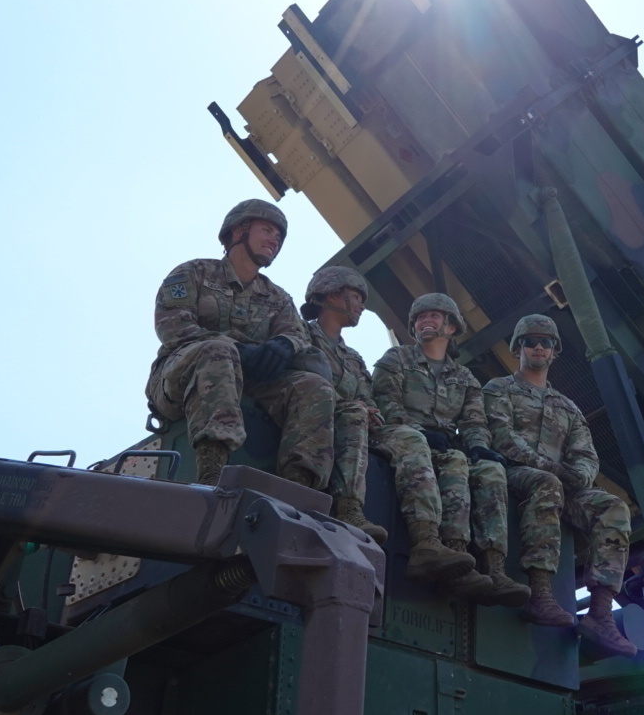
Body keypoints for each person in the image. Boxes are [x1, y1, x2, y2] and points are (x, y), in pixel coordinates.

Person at [146, 200, 335, 488]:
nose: (275, 240)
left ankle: (297, 486)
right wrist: (235, 348)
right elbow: (172, 326)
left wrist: (284, 344)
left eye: (279, 236)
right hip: (180, 378)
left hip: (250, 382)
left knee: (314, 386)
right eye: (267, 230)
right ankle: (212, 473)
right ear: (238, 231)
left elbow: (297, 336)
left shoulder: (277, 296)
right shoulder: (195, 273)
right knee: (219, 351)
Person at [482, 314, 637, 657]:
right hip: (512, 476)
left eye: (546, 342)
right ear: (517, 348)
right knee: (547, 482)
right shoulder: (498, 390)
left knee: (613, 507)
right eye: (530, 341)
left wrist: (580, 475)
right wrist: (550, 467)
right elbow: (501, 437)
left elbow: (585, 455)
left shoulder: (567, 407)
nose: (538, 347)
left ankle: (600, 612)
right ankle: (540, 593)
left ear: (554, 352)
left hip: (559, 485)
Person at [371, 293, 529, 607]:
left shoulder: (464, 378)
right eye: (419, 317)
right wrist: (419, 431)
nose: (424, 322)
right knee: (422, 445)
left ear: (452, 327)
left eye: (433, 316)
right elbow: (385, 403)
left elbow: (473, 421)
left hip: (442, 447)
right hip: (397, 434)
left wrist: (480, 447)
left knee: (485, 468)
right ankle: (426, 544)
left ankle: (484, 566)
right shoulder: (396, 359)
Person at [299, 265, 388, 545]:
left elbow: (366, 396)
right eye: (356, 297)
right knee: (353, 412)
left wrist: (370, 410)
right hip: (307, 416)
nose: (362, 306)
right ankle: (347, 506)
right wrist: (354, 406)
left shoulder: (353, 357)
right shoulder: (301, 334)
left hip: (351, 421)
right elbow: (298, 377)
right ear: (332, 296)